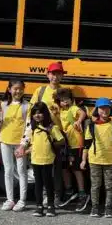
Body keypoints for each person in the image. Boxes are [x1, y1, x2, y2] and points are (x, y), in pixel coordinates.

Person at [30, 61, 67, 207]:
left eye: (59, 74)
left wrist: (60, 112)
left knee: (56, 166)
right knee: (41, 165)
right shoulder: (40, 91)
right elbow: (32, 111)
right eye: (53, 73)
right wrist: (31, 130)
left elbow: (70, 112)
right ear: (47, 74)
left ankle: (56, 195)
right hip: (40, 132)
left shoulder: (64, 92)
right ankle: (44, 194)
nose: (55, 77)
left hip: (56, 133)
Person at [22, 101, 65, 218]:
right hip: (35, 159)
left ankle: (50, 206)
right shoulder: (33, 128)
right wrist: (25, 151)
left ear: (45, 114)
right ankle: (39, 206)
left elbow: (61, 140)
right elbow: (32, 144)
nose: (37, 115)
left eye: (40, 113)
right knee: (38, 184)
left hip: (47, 159)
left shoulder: (52, 127)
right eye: (35, 113)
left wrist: (53, 144)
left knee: (48, 183)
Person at [81, 97, 112, 218]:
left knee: (109, 186)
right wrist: (83, 160)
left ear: (111, 110)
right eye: (101, 108)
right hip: (94, 159)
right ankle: (95, 208)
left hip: (110, 160)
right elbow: (86, 144)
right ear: (96, 110)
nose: (104, 110)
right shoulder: (91, 126)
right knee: (95, 185)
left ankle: (108, 209)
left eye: (107, 108)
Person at [0, 80, 30, 212]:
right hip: (5, 141)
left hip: (19, 144)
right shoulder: (4, 105)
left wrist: (23, 144)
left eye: (21, 89)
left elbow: (29, 127)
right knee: (8, 171)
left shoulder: (28, 106)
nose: (18, 91)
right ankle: (10, 199)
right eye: (15, 89)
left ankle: (22, 200)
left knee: (22, 171)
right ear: (9, 89)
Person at [55, 88, 87, 211]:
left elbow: (83, 113)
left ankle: (82, 193)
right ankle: (69, 190)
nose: (65, 102)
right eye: (62, 101)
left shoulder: (73, 109)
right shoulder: (60, 111)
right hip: (65, 144)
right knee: (64, 168)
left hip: (75, 144)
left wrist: (79, 121)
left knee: (76, 169)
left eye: (67, 99)